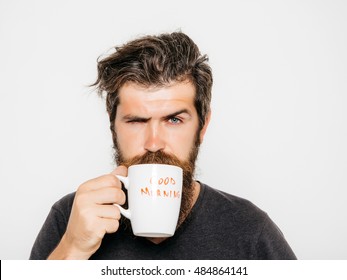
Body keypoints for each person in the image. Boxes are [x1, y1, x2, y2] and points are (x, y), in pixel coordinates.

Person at [30, 31, 296, 260]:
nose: (153, 143)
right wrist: (72, 250)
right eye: (136, 121)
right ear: (113, 128)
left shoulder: (248, 228)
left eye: (174, 119)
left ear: (202, 127)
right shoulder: (70, 217)